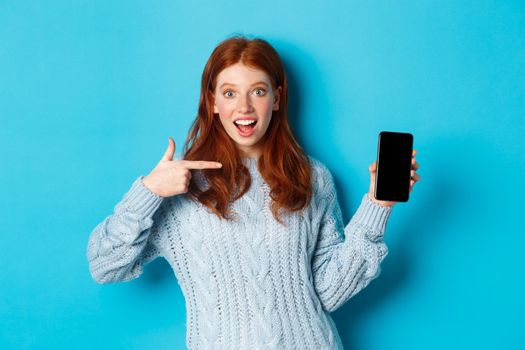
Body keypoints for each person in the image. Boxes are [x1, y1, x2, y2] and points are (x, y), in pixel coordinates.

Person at [86, 35, 421, 350]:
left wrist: (377, 206)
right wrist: (148, 191)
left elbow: (327, 293)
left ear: (276, 98)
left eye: (257, 92)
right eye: (230, 93)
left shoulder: (312, 176)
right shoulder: (181, 185)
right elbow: (104, 265)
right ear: (212, 101)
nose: (244, 107)